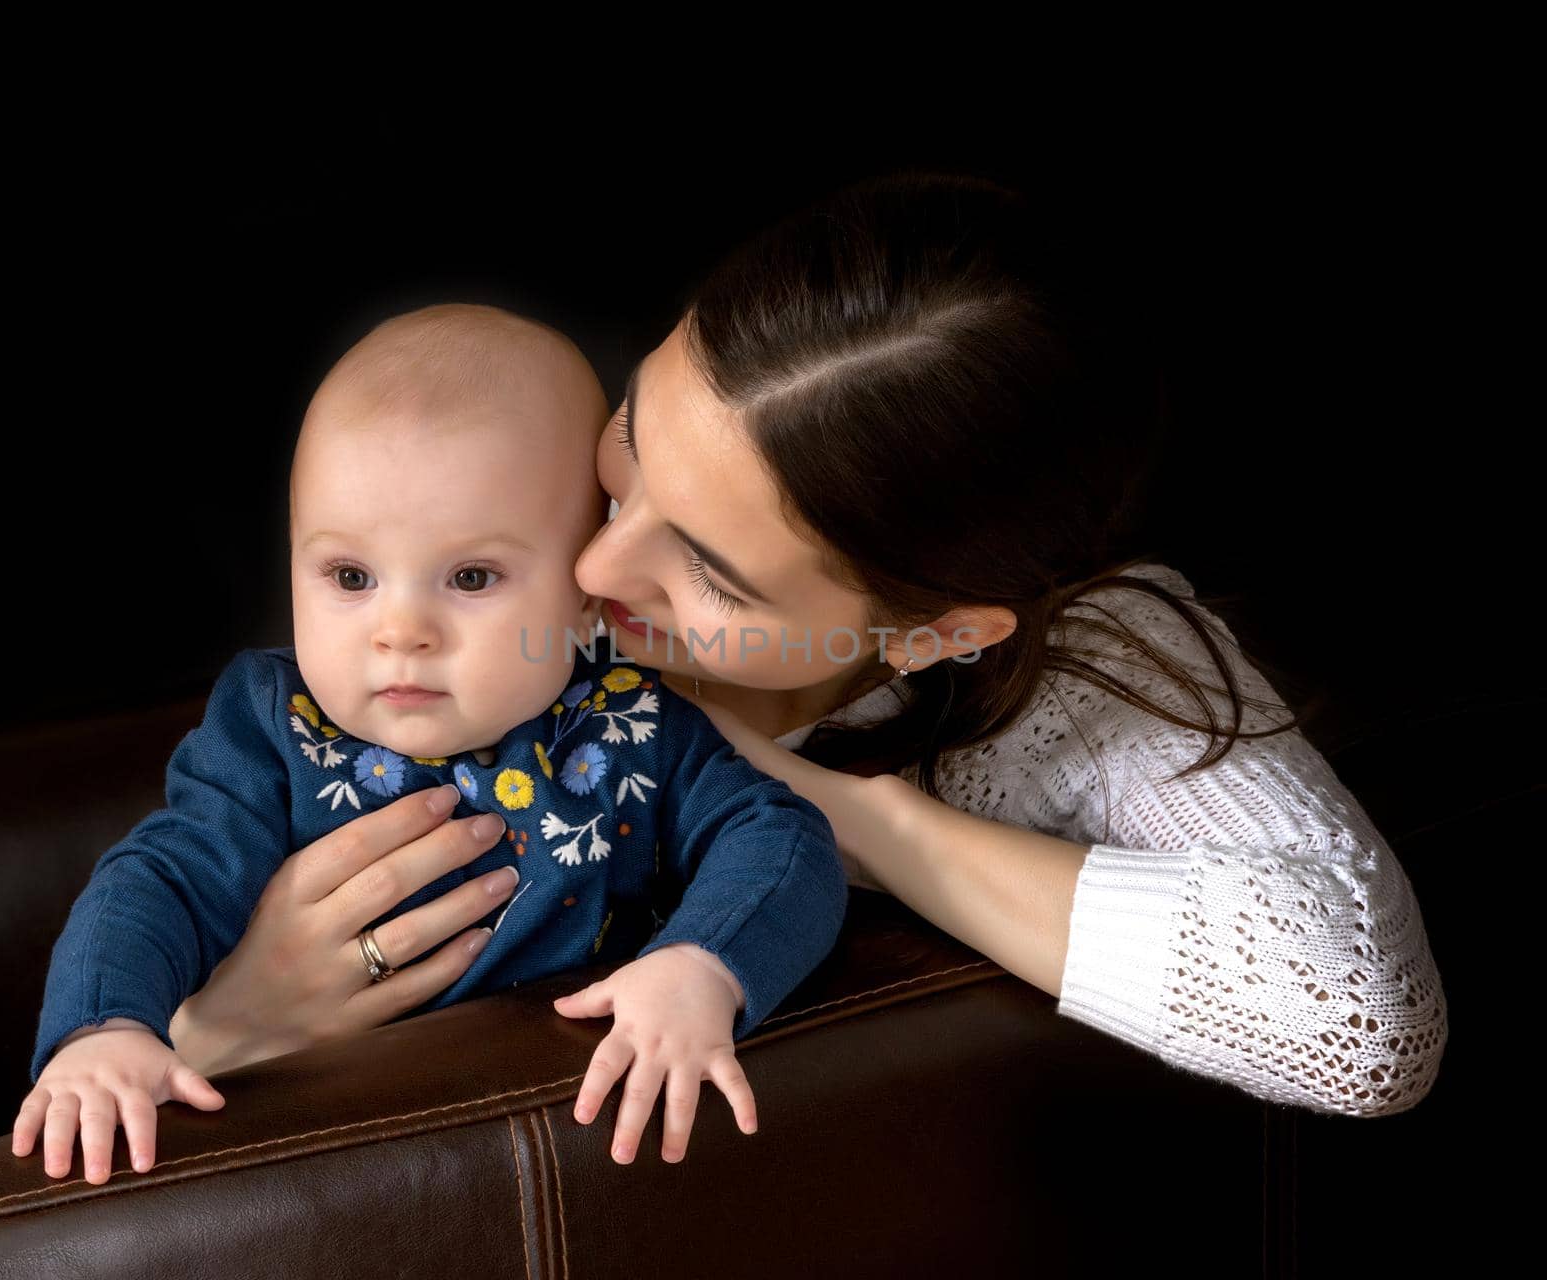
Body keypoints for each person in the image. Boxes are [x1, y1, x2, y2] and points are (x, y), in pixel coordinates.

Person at [122, 169, 1446, 1168]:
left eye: (709, 570)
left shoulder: (1096, 666)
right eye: (635, 441)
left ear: (933, 630)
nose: (593, 570)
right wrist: (233, 1021)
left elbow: (1356, 1023)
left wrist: (849, 817)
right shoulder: (523, 543)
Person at [11, 304, 849, 1187]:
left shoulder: (631, 724)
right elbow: (159, 883)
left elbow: (783, 839)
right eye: (350, 577)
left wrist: (703, 964)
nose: (400, 629)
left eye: (472, 576)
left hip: (561, 1150)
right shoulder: (272, 728)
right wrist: (107, 1030)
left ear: (585, 592)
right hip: (311, 1154)